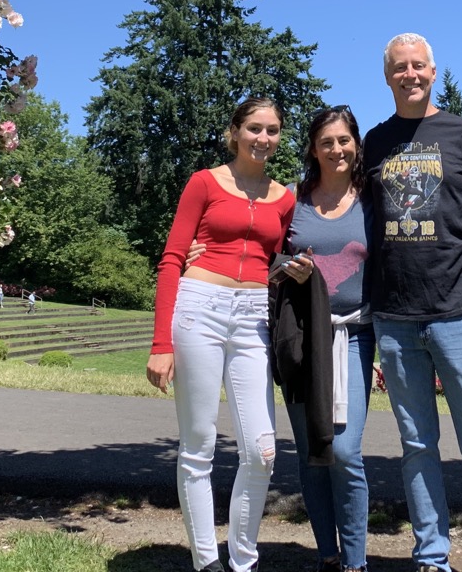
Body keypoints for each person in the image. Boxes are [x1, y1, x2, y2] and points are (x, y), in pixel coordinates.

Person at [363, 33, 462, 572]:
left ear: (433, 72)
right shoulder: (373, 142)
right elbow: (343, 209)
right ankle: (431, 557)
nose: (410, 74)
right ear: (387, 78)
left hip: (457, 311)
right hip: (395, 316)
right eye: (399, 68)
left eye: (419, 66)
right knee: (417, 446)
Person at [146, 96, 296, 572]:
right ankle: (207, 560)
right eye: (254, 128)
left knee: (261, 449)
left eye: (272, 130)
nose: (263, 139)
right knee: (199, 443)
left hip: (254, 316)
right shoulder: (204, 182)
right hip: (199, 309)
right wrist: (161, 344)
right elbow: (171, 258)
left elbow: (276, 260)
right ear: (235, 132)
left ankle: (243, 560)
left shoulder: (284, 197)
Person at [272, 106, 374, 572]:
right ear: (313, 149)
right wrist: (286, 268)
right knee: (314, 453)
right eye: (326, 141)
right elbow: (266, 258)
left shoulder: (374, 199)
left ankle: (355, 561)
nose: (337, 149)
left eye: (344, 140)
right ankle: (328, 556)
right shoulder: (294, 199)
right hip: (302, 338)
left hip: (354, 336)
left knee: (346, 452)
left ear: (356, 144)